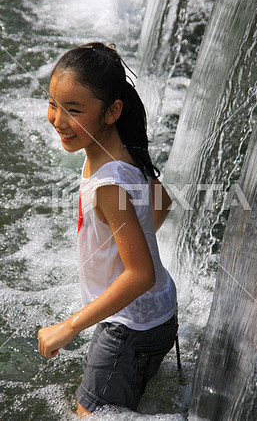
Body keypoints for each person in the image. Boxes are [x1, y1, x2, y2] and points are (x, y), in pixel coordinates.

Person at [38, 42, 178, 416]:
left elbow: (141, 274)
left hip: (130, 328)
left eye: (74, 110)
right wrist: (128, 243)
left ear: (112, 111)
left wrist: (69, 327)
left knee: (88, 413)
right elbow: (162, 201)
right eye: (53, 103)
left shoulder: (108, 184)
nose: (58, 120)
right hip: (153, 316)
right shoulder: (121, 151)